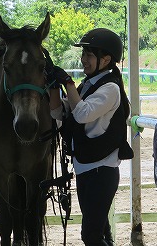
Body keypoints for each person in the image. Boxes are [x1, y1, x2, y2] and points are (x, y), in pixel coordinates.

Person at [48, 28, 133, 246]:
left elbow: (83, 114)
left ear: (106, 59)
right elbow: (60, 113)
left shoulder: (110, 89)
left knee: (91, 235)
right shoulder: (88, 85)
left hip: (101, 171)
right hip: (87, 169)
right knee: (101, 233)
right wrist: (53, 87)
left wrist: (67, 82)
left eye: (89, 55)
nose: (83, 60)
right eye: (83, 54)